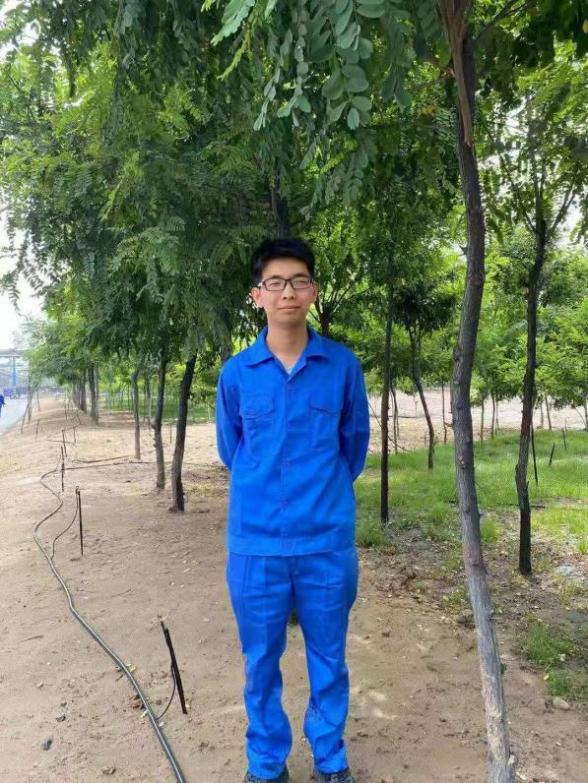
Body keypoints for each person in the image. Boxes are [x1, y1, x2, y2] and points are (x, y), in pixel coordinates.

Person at [216, 238, 370, 783]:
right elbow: (232, 450)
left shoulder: (341, 366)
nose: (288, 292)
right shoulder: (237, 373)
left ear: (314, 291)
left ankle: (330, 758)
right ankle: (266, 762)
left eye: (299, 281)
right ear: (257, 295)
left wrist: (320, 497)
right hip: (256, 543)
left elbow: (353, 447)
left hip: (326, 541)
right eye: (276, 283)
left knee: (329, 655)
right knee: (260, 660)